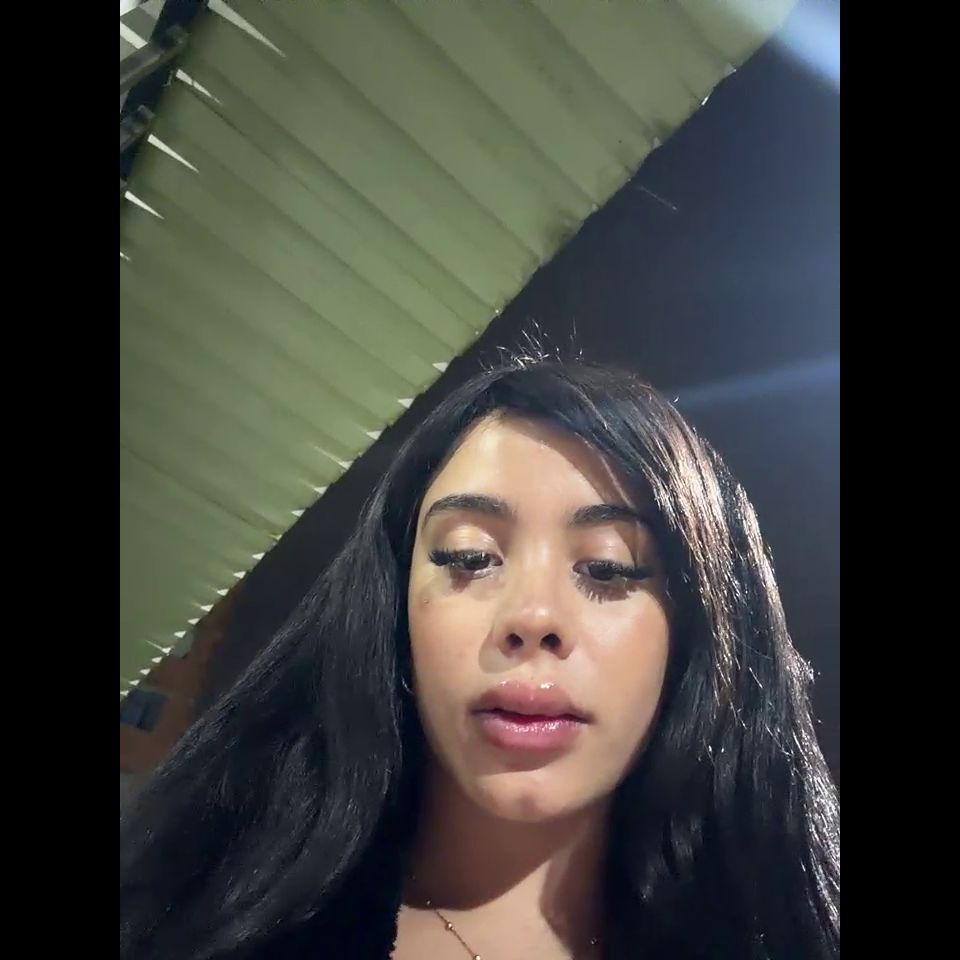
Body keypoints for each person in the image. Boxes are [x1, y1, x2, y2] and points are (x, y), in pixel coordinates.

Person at [120, 359, 840, 960]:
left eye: (609, 568)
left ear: (697, 630)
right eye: (469, 557)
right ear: (392, 603)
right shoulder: (185, 914)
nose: (532, 618)